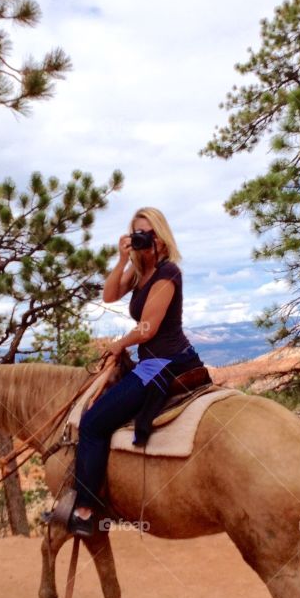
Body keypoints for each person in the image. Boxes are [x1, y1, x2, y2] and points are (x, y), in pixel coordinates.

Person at [68, 206, 205, 539]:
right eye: (138, 233)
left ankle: (86, 508)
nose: (146, 238)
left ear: (161, 235)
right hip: (151, 361)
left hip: (164, 362)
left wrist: (119, 344)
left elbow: (147, 329)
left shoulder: (168, 272)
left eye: (149, 233)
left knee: (94, 421)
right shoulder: (141, 272)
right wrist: (123, 259)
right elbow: (109, 294)